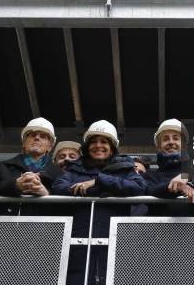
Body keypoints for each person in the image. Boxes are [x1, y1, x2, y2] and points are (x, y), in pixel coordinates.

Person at [52, 120, 146, 285]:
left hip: (115, 242)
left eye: (104, 142)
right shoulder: (75, 167)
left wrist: (99, 181)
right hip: (77, 241)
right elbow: (59, 187)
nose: (98, 145)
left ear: (112, 147)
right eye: (94, 141)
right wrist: (105, 190)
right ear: (87, 146)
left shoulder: (124, 167)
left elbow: (139, 187)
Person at [0, 117, 56, 215]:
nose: (37, 138)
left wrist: (46, 194)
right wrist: (14, 185)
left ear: (50, 146)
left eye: (43, 136)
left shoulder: (60, 173)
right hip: (4, 228)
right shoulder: (0, 167)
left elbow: (69, 209)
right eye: (32, 135)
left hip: (45, 229)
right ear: (24, 143)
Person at [141, 119, 194, 216]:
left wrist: (188, 178)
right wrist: (178, 186)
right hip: (157, 230)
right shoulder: (150, 175)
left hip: (193, 229)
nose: (171, 142)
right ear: (159, 146)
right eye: (165, 139)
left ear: (184, 145)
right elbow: (150, 191)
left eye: (176, 138)